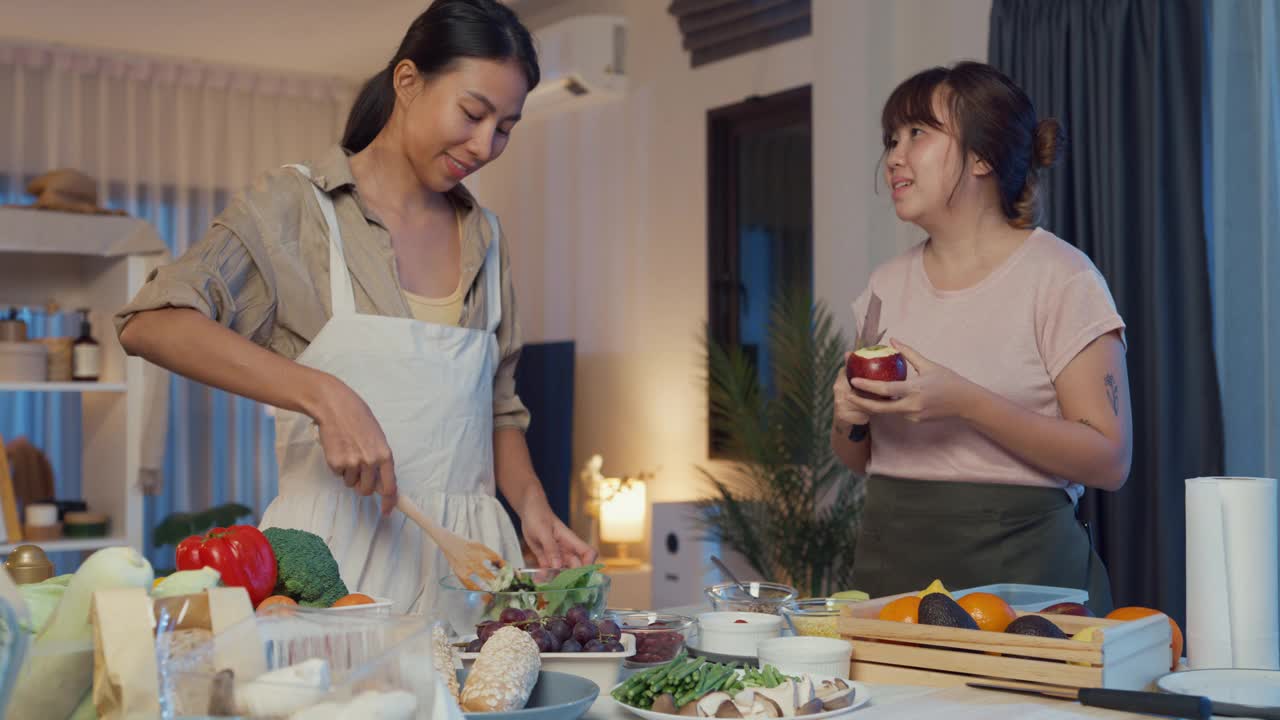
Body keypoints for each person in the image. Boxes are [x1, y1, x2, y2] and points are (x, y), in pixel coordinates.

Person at [116, 0, 595, 615]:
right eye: (472, 113)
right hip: (333, 565)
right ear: (407, 80)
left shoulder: (488, 237)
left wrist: (532, 506)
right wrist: (323, 394)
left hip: (472, 568)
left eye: (504, 127)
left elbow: (497, 407)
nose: (484, 145)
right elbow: (149, 324)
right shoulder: (296, 209)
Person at [831, 62, 1131, 615]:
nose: (895, 155)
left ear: (982, 157)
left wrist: (966, 403)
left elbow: (1110, 459)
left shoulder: (1063, 277)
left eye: (918, 133)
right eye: (892, 139)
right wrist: (849, 413)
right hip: (891, 573)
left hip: (1024, 580)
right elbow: (858, 457)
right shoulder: (884, 286)